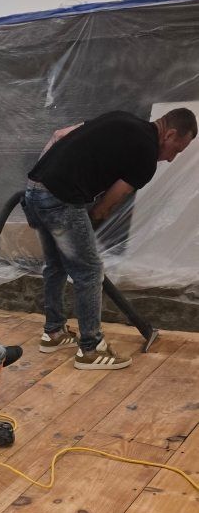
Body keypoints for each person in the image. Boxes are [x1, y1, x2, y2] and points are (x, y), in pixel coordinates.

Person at [23, 108, 196, 370]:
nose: (171, 159)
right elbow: (106, 206)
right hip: (61, 198)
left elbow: (60, 135)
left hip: (35, 188)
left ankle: (54, 333)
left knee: (57, 265)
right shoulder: (146, 156)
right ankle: (91, 349)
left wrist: (46, 183)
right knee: (90, 272)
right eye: (177, 150)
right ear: (169, 134)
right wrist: (86, 230)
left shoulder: (121, 118)